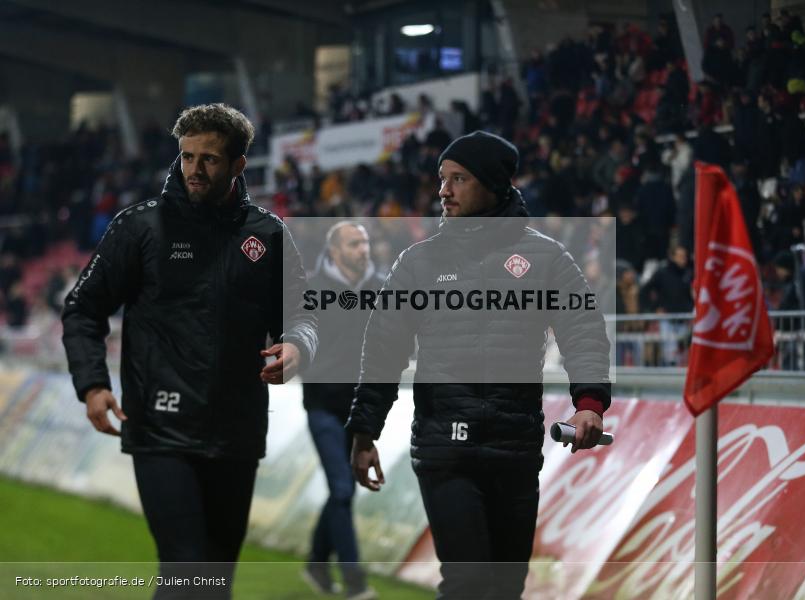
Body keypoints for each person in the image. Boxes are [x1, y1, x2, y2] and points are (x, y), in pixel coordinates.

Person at [61, 104, 318, 600]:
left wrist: (297, 347)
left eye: (210, 160)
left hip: (237, 430)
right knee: (186, 572)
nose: (195, 170)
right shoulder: (140, 228)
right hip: (161, 428)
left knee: (213, 585)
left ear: (239, 165)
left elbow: (303, 317)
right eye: (187, 157)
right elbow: (82, 310)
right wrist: (92, 385)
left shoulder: (267, 235)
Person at [346, 131, 611, 599]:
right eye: (442, 179)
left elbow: (582, 331)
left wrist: (589, 402)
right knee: (468, 583)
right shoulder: (417, 263)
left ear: (493, 184)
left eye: (459, 179)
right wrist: (364, 429)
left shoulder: (546, 259)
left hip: (515, 449)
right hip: (445, 448)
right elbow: (383, 349)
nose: (443, 191)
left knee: (506, 589)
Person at [302, 222, 381, 600]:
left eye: (365, 242)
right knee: (341, 487)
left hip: (361, 410)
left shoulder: (382, 287)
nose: (363, 249)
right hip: (323, 406)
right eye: (354, 243)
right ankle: (355, 582)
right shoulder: (311, 289)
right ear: (334, 251)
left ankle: (317, 562)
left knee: (342, 490)